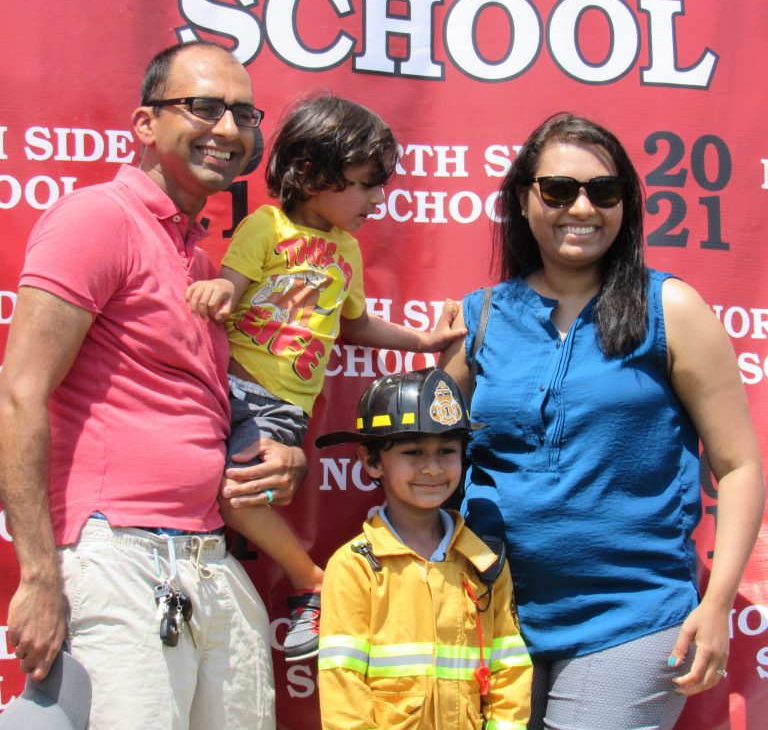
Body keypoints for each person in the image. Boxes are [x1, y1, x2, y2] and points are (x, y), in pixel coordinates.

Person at [0, 42, 306, 730]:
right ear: (145, 124)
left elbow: (199, 410)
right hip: (119, 558)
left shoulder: (201, 263)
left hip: (208, 558)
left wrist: (270, 459)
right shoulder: (96, 219)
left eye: (243, 114)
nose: (228, 130)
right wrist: (41, 576)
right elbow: (17, 394)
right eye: (203, 107)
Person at [438, 111, 766, 730]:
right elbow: (420, 444)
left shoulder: (670, 308)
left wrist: (718, 602)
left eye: (604, 191)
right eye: (559, 189)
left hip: (631, 621)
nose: (582, 207)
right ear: (522, 199)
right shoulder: (480, 319)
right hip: (488, 618)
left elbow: (740, 465)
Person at [185, 95, 465, 662]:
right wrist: (218, 290)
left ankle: (311, 580)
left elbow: (354, 324)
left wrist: (423, 343)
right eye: (364, 184)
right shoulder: (266, 225)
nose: (377, 199)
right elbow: (232, 288)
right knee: (220, 494)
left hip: (282, 409)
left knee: (238, 499)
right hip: (230, 391)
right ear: (311, 174)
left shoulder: (347, 251)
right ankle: (308, 579)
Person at [313, 367, 532, 729]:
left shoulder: (483, 562)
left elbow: (509, 667)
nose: (432, 468)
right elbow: (343, 686)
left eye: (447, 450)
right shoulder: (355, 566)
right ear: (371, 460)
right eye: (413, 452)